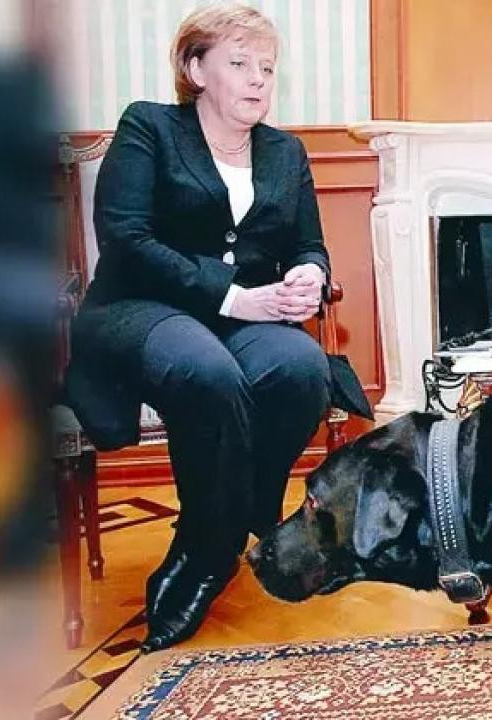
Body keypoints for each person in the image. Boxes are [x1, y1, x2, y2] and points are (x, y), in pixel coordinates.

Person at [64, 3, 331, 652]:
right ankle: (208, 553)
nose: (258, 78)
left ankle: (220, 527)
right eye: (239, 63)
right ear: (195, 69)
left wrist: (309, 275)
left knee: (302, 369)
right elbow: (126, 240)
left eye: (267, 67)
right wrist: (234, 296)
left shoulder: (285, 152)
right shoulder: (149, 127)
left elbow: (308, 244)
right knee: (204, 368)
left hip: (246, 314)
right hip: (141, 307)